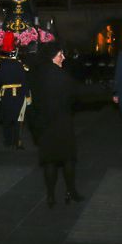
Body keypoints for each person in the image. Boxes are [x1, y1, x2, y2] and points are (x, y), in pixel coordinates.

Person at [32, 42, 82, 206]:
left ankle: (51, 196)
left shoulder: (39, 75)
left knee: (50, 161)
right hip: (62, 122)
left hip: (45, 124)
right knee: (67, 159)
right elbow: (75, 96)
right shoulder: (62, 76)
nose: (64, 57)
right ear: (52, 57)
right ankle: (71, 191)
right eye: (61, 54)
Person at [0, 47, 28, 148]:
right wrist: (27, 95)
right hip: (19, 94)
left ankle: (8, 140)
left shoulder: (1, 65)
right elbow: (24, 80)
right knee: (18, 118)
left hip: (6, 94)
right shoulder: (19, 64)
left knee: (7, 118)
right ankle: (17, 141)